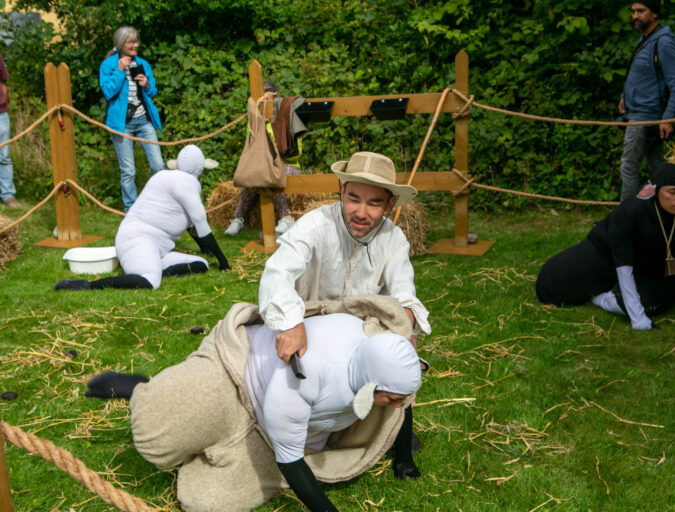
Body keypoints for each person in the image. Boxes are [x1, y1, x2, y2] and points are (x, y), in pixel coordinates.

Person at [84, 296, 422, 512]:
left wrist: (403, 455)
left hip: (272, 438)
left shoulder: (382, 358)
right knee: (154, 432)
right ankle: (143, 387)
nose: (397, 405)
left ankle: (204, 451)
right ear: (370, 384)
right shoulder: (307, 375)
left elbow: (402, 404)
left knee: (207, 503)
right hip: (237, 377)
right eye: (390, 397)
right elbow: (291, 463)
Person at [258, 150, 431, 456]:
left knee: (394, 362)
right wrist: (291, 323)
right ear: (341, 191)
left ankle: (395, 446)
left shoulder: (394, 240)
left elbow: (404, 295)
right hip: (306, 332)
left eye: (374, 203)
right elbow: (277, 273)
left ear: (390, 204)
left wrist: (407, 335)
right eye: (353, 198)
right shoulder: (314, 225)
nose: (361, 212)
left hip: (358, 339)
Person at [536, 163, 675, 330]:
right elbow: (622, 260)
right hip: (608, 255)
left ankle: (603, 299)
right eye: (672, 192)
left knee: (657, 302)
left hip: (654, 267)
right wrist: (637, 318)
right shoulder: (631, 210)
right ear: (654, 190)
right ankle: (602, 292)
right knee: (552, 284)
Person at [54, 144, 229, 291]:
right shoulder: (188, 184)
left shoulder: (166, 175)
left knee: (202, 264)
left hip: (158, 249)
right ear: (200, 170)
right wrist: (224, 263)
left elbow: (193, 228)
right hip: (137, 240)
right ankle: (88, 285)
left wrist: (206, 251)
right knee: (151, 281)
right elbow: (201, 225)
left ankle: (156, 268)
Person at [617, 1, 675, 201]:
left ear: (654, 13)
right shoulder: (646, 38)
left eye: (641, 11)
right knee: (659, 167)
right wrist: (625, 96)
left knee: (629, 165)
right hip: (638, 111)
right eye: (633, 11)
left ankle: (626, 217)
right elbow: (643, 74)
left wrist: (667, 117)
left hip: (646, 116)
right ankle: (667, 209)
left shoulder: (663, 41)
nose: (635, 16)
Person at [225, 80, 306, 236]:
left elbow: (297, 152)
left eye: (266, 100)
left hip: (288, 165)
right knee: (253, 176)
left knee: (271, 173)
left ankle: (287, 218)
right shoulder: (257, 123)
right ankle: (238, 219)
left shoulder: (287, 118)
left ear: (277, 97)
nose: (263, 104)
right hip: (266, 166)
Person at [99, 26, 165, 211]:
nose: (136, 45)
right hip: (122, 125)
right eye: (131, 42)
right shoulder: (109, 65)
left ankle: (157, 203)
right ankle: (131, 209)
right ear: (121, 44)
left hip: (143, 121)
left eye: (137, 41)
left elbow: (152, 92)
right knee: (128, 171)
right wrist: (120, 69)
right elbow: (108, 92)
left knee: (158, 165)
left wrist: (146, 85)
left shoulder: (142, 63)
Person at [0, 51, 19, 209]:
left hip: (0, 113)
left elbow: (3, 80)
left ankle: (8, 194)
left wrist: (4, 104)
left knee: (4, 155)